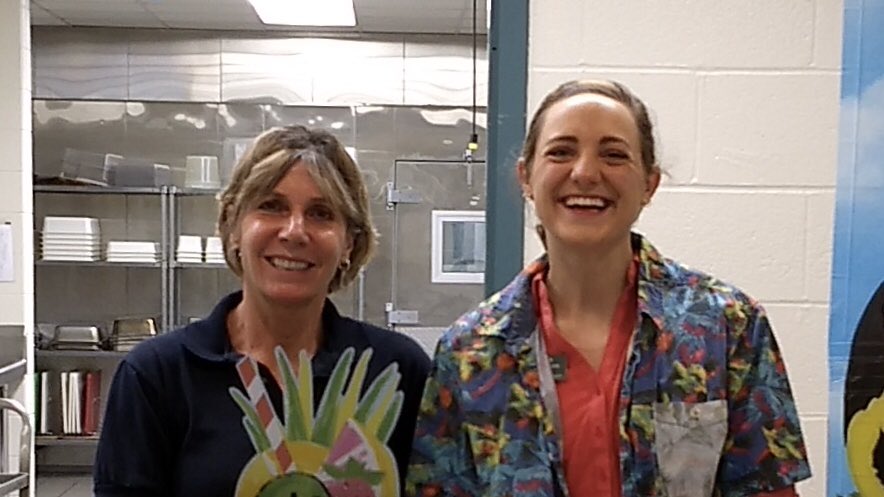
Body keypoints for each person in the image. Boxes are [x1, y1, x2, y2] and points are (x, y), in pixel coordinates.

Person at [406, 80, 811, 497]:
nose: (584, 173)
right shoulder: (471, 352)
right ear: (526, 178)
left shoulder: (727, 329)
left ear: (649, 185)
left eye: (614, 155)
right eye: (561, 152)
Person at [95, 125, 431, 497]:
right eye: (272, 206)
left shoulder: (397, 372)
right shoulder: (157, 376)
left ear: (349, 243)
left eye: (321, 213)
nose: (294, 231)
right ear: (233, 226)